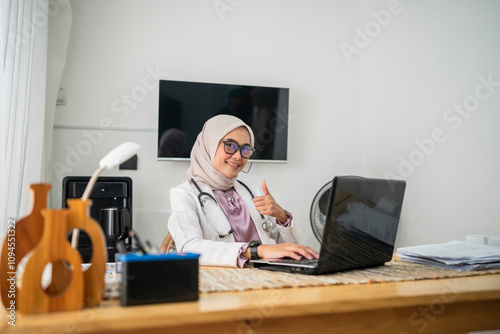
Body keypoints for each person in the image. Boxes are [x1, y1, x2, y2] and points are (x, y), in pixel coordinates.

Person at [167, 115, 318, 267]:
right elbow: (189, 248)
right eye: (230, 145)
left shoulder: (254, 190)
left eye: (245, 149)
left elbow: (294, 249)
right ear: (209, 145)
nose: (238, 156)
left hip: (265, 278)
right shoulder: (184, 194)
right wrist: (256, 251)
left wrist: (282, 216)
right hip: (221, 282)